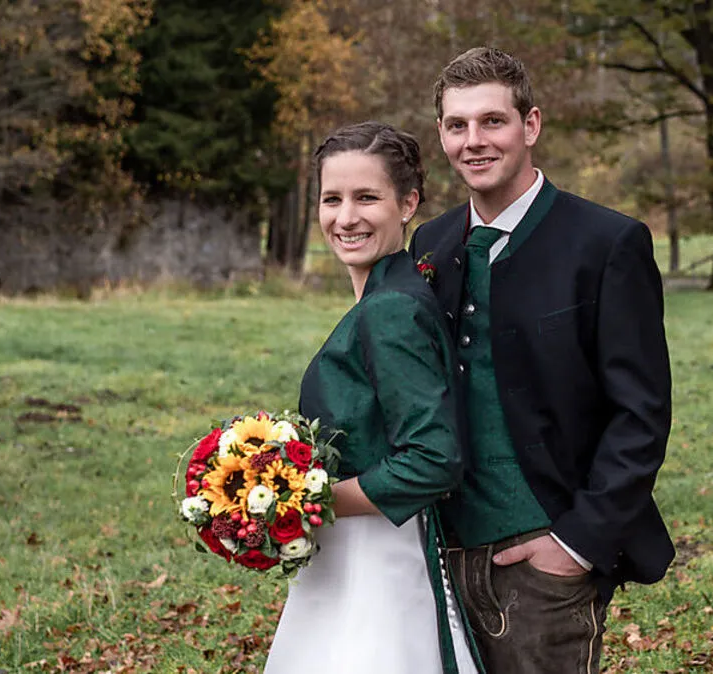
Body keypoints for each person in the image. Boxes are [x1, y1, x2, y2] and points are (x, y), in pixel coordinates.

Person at [408, 47, 674, 673]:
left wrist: (575, 545)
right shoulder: (431, 243)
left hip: (545, 560)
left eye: (492, 121)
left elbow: (641, 415)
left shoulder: (607, 243)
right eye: (457, 125)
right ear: (442, 134)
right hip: (438, 558)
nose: (474, 141)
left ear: (530, 125)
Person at [265, 121, 481, 674]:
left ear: (408, 203)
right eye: (331, 199)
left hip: (380, 562)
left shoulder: (392, 310)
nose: (345, 217)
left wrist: (306, 500)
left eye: (366, 197)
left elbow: (433, 459)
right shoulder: (387, 294)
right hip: (351, 559)